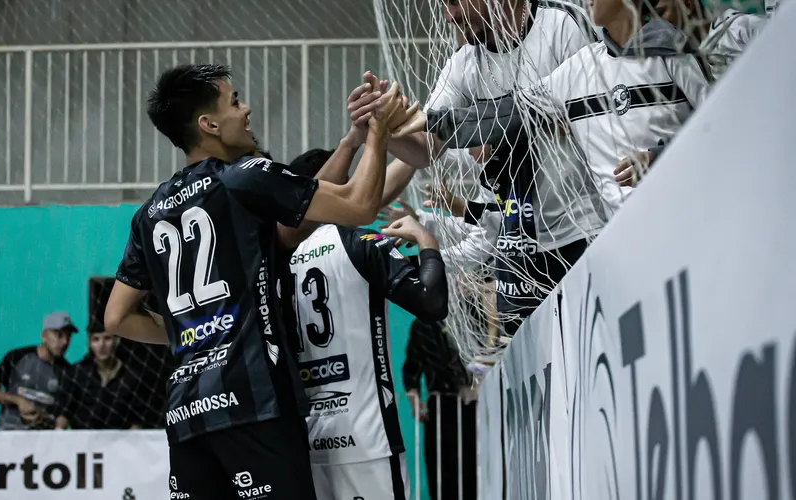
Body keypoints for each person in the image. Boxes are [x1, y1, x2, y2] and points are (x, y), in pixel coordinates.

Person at [104, 63, 410, 499]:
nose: (246, 109)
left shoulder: (149, 214)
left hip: (188, 416)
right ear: (208, 124)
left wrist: (351, 141)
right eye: (234, 101)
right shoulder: (242, 175)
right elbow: (359, 206)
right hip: (254, 406)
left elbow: (115, 318)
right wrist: (379, 131)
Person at [353, 0, 604, 336]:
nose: (449, 15)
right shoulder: (464, 64)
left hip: (582, 228)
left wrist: (485, 125)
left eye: (455, 2)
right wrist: (383, 128)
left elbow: (584, 115)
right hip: (517, 245)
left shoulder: (561, 26)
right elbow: (426, 149)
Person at [397, 0, 711, 212]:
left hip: (682, 211)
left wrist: (659, 157)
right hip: (617, 239)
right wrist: (432, 121)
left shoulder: (673, 51)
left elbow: (721, 125)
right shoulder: (579, 69)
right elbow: (507, 113)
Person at [283, 150, 449, 500]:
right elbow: (431, 302)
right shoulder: (360, 243)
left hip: (309, 443)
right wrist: (426, 241)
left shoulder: (276, 258)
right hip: (367, 439)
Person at [402, 318, 477, 500]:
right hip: (440, 408)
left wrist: (477, 386)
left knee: (473, 470)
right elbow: (411, 369)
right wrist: (416, 402)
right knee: (442, 473)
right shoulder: (423, 324)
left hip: (473, 407)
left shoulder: (475, 317)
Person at [0, 311, 76, 430]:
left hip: (42, 441)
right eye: (59, 335)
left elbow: (63, 416)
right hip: (8, 435)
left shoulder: (69, 372)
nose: (65, 342)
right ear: (44, 335)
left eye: (69, 336)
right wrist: (18, 401)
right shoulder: (17, 357)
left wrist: (43, 417)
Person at [56, 329, 166, 429]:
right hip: (83, 442)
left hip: (122, 443)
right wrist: (59, 433)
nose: (101, 345)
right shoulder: (77, 373)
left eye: (107, 338)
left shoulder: (132, 377)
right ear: (90, 343)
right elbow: (65, 413)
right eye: (96, 339)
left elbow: (138, 420)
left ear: (117, 340)